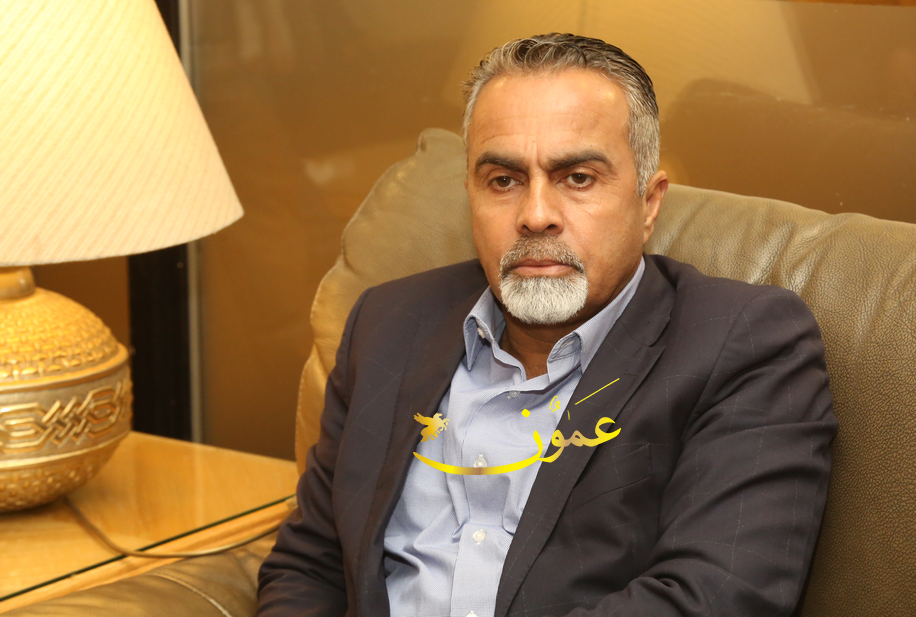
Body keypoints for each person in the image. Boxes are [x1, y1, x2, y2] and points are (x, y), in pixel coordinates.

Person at [256, 33, 837, 617]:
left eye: (578, 177)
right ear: (470, 196)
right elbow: (310, 565)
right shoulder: (388, 323)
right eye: (503, 181)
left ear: (649, 202)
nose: (535, 215)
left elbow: (714, 598)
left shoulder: (744, 343)